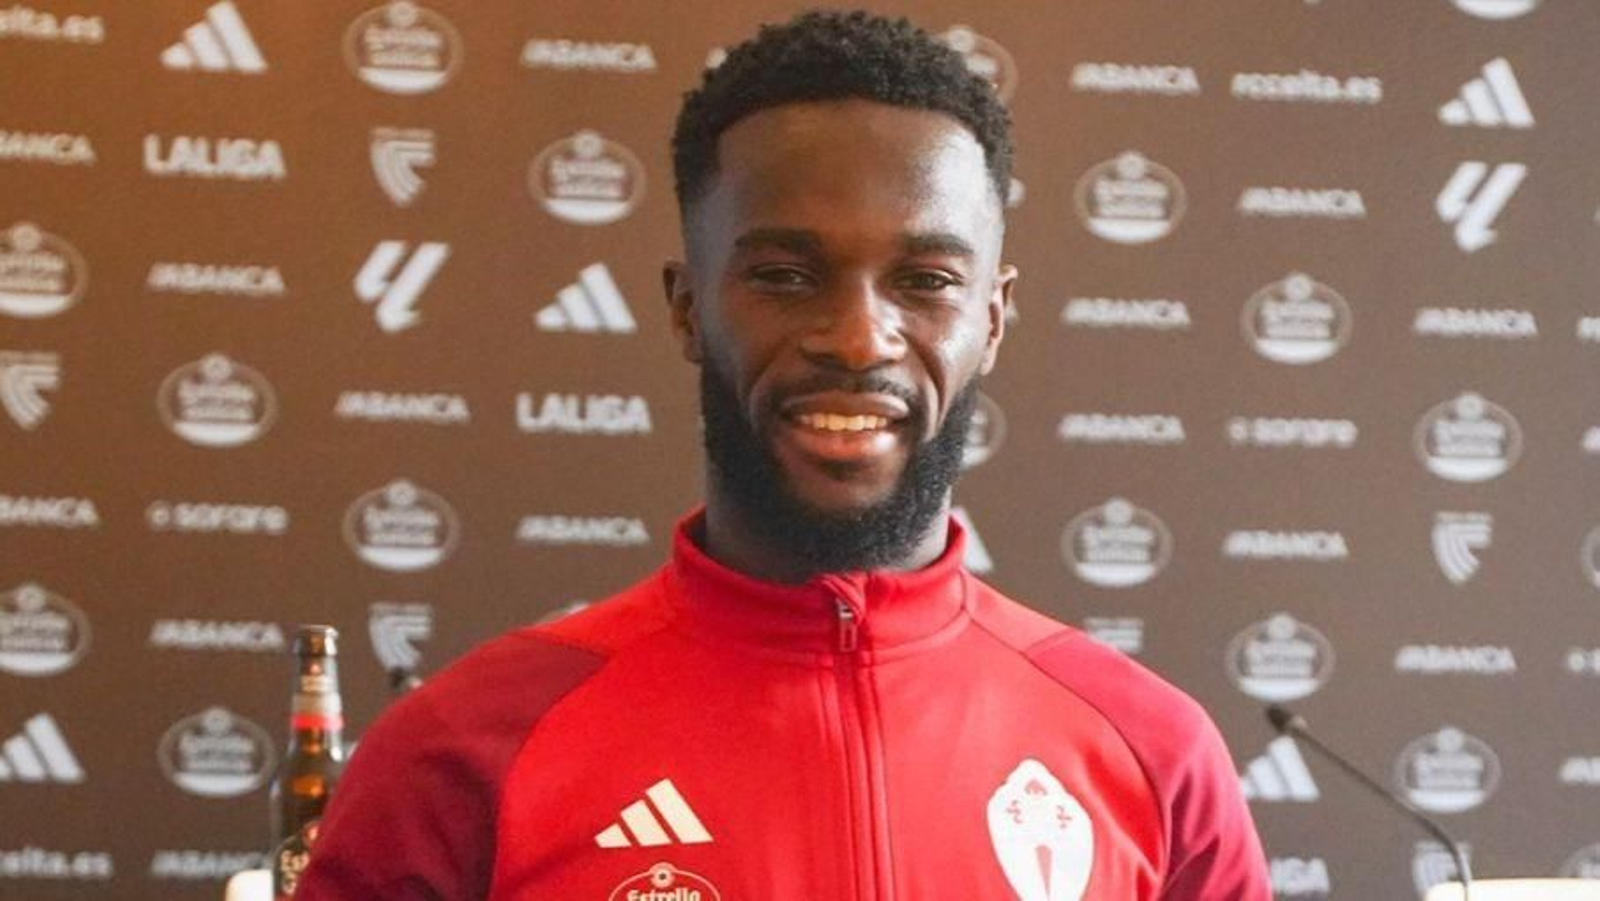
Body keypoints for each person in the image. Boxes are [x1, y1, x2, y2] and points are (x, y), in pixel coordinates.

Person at [297, 10, 1270, 900]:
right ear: (686, 306)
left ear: (993, 315)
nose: (857, 338)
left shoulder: (1152, 753)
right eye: (784, 274)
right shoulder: (463, 754)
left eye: (924, 278)